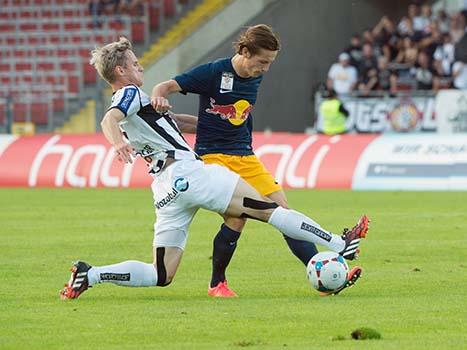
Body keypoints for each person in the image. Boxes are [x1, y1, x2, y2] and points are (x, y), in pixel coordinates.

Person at [59, 37, 369, 300]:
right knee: (270, 209)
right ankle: (341, 244)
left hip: (166, 190)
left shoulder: (139, 108)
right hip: (189, 173)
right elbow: (108, 119)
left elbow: (177, 124)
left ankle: (91, 274)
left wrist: (224, 121)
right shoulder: (128, 94)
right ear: (120, 70)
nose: (141, 67)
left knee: (161, 273)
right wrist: (116, 143)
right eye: (136, 63)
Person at [151, 24, 353, 298]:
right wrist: (158, 97)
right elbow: (166, 86)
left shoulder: (255, 76)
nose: (265, 69)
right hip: (214, 158)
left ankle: (321, 271)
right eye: (262, 62)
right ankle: (216, 284)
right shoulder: (212, 73)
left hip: (246, 156)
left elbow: (233, 116)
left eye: (270, 63)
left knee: (285, 213)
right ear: (244, 52)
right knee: (237, 221)